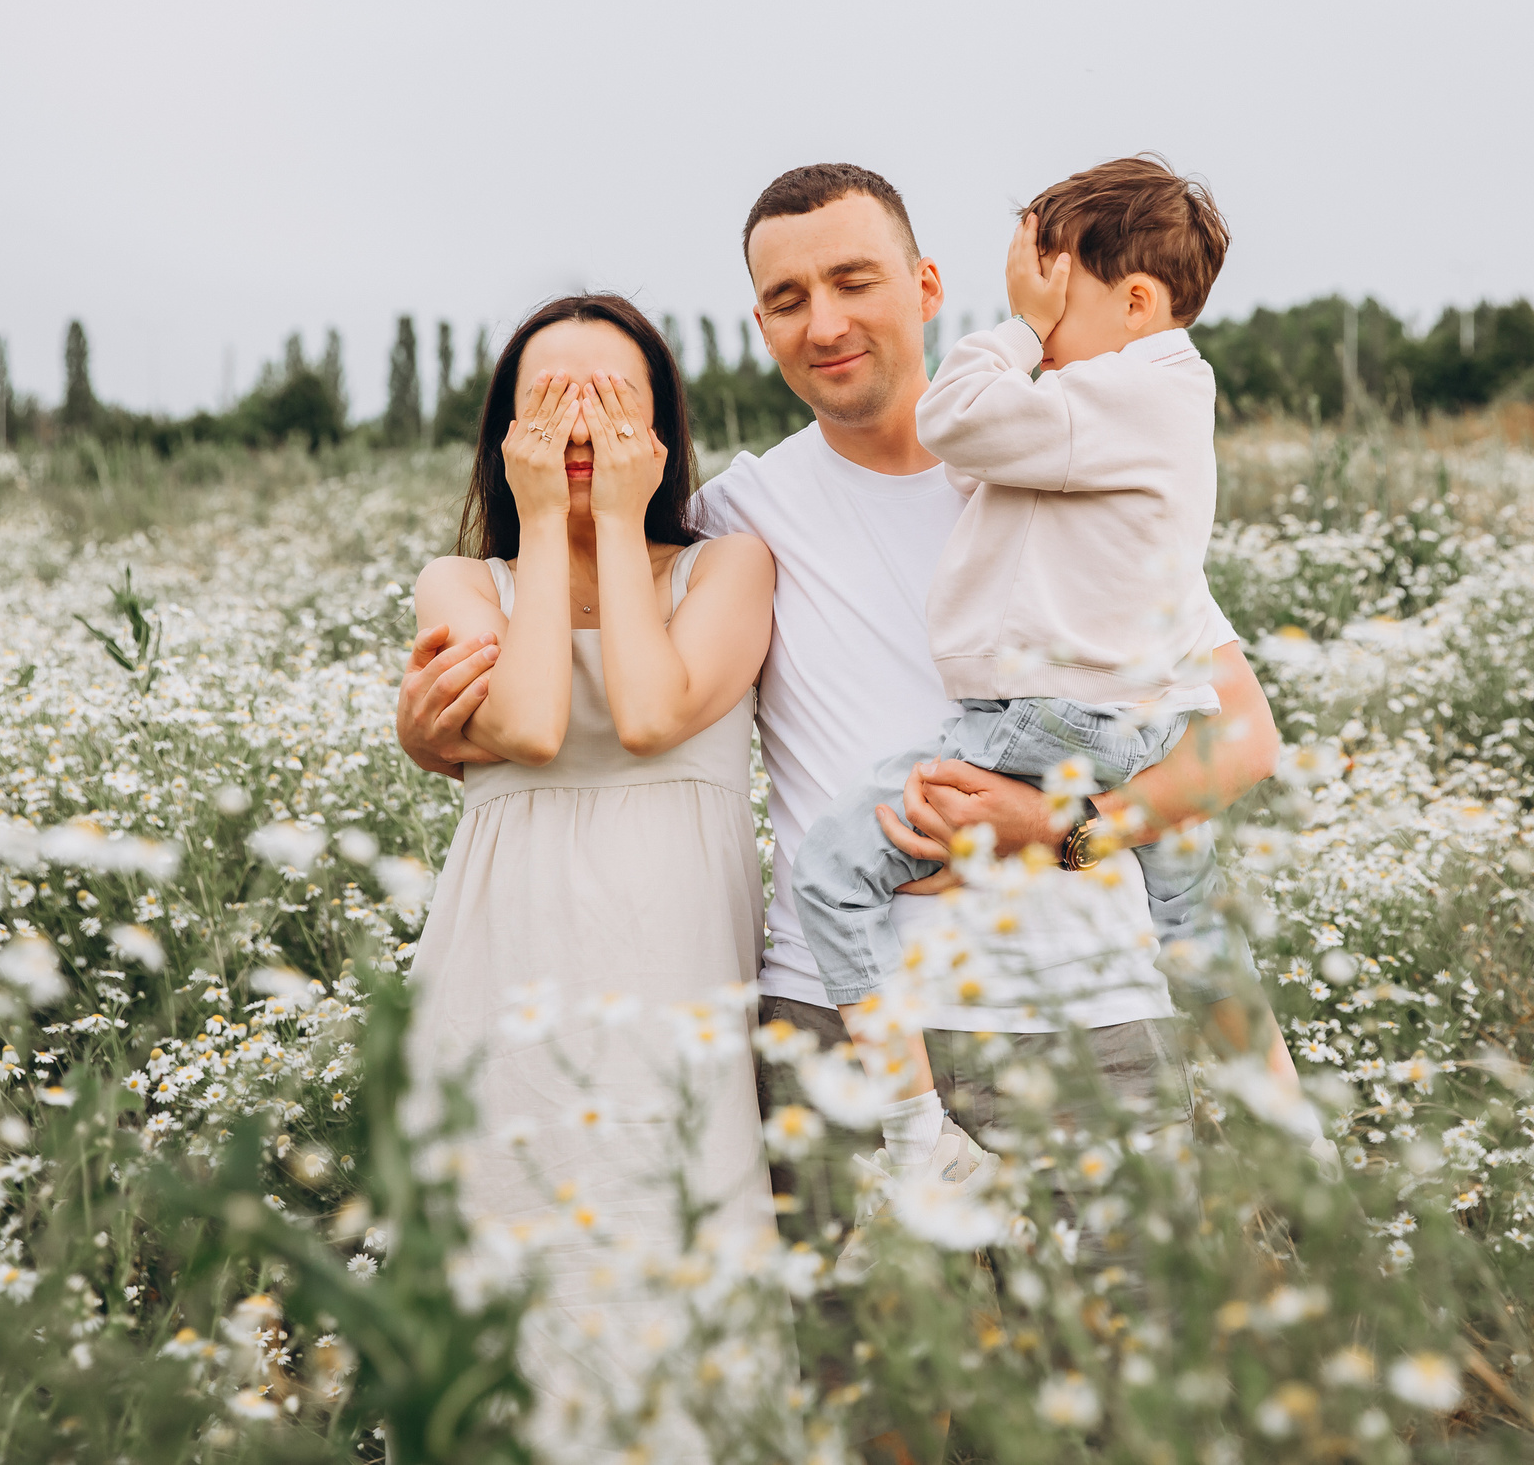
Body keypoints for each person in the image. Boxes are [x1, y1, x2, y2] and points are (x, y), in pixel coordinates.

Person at [400, 165, 1286, 1249]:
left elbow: (1241, 736)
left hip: (1077, 1020)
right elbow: (588, 653)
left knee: (1121, 1403)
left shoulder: (1067, 471)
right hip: (832, 1031)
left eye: (853, 281)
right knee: (862, 1415)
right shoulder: (741, 519)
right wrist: (434, 732)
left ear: (924, 286)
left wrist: (1060, 832)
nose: (822, 323)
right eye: (785, 299)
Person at [787, 157, 1243, 1163]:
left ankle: (908, 1119)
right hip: (1140, 725)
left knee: (826, 874)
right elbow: (977, 463)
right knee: (1192, 916)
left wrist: (1015, 331)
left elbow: (952, 422)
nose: (1043, 322)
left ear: (1133, 302)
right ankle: (1268, 1118)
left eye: (1057, 292)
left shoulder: (1118, 390)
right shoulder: (1151, 406)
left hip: (1037, 725)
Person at [400, 293, 779, 1458]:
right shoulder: (463, 585)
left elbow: (656, 709)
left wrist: (617, 521)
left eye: (609, 401)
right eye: (545, 403)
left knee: (678, 1249)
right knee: (512, 1265)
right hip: (503, 963)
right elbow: (525, 719)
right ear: (501, 433)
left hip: (673, 966)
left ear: (660, 427)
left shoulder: (730, 566)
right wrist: (539, 525)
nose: (578, 428)